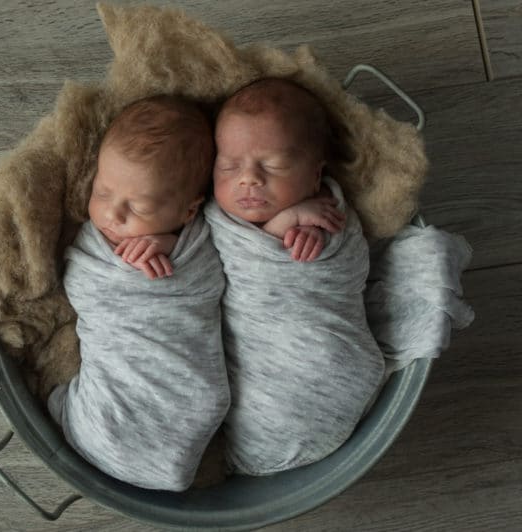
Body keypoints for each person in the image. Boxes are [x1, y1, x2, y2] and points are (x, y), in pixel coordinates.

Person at [48, 95, 230, 491]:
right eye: (102, 191)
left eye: (139, 206)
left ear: (187, 212)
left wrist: (173, 252)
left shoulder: (199, 245)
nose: (113, 215)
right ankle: (103, 433)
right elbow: (79, 282)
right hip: (114, 382)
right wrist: (120, 267)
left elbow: (218, 283)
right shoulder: (93, 242)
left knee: (200, 400)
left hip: (189, 388)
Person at [204, 78, 385, 475]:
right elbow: (217, 274)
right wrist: (282, 223)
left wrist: (316, 228)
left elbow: (350, 265)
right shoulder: (213, 221)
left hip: (326, 359)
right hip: (254, 372)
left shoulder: (329, 216)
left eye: (273, 165)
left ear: (315, 175)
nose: (248, 179)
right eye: (229, 165)